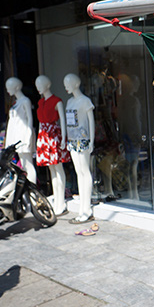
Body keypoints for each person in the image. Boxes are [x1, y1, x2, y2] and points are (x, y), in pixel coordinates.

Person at [35, 75, 71, 216]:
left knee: (58, 168)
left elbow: (63, 120)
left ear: (47, 85)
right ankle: (57, 200)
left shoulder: (57, 101)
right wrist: (39, 138)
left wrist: (63, 139)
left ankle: (61, 202)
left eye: (40, 84)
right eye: (37, 85)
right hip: (44, 136)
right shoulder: (40, 102)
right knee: (52, 170)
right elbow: (40, 123)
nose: (38, 88)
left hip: (54, 135)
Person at [63, 73, 96, 224]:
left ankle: (87, 208)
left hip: (83, 140)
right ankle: (82, 207)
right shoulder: (69, 101)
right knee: (78, 173)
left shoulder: (85, 101)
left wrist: (92, 141)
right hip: (72, 140)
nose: (65, 87)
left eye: (67, 83)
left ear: (76, 84)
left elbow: (91, 121)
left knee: (85, 171)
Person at [4, 77, 36, 184]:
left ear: (17, 87)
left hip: (23, 137)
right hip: (16, 138)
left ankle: (34, 191)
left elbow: (30, 120)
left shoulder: (25, 101)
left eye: (10, 87)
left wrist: (28, 137)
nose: (8, 90)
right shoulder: (16, 103)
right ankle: (28, 191)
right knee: (23, 164)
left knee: (28, 164)